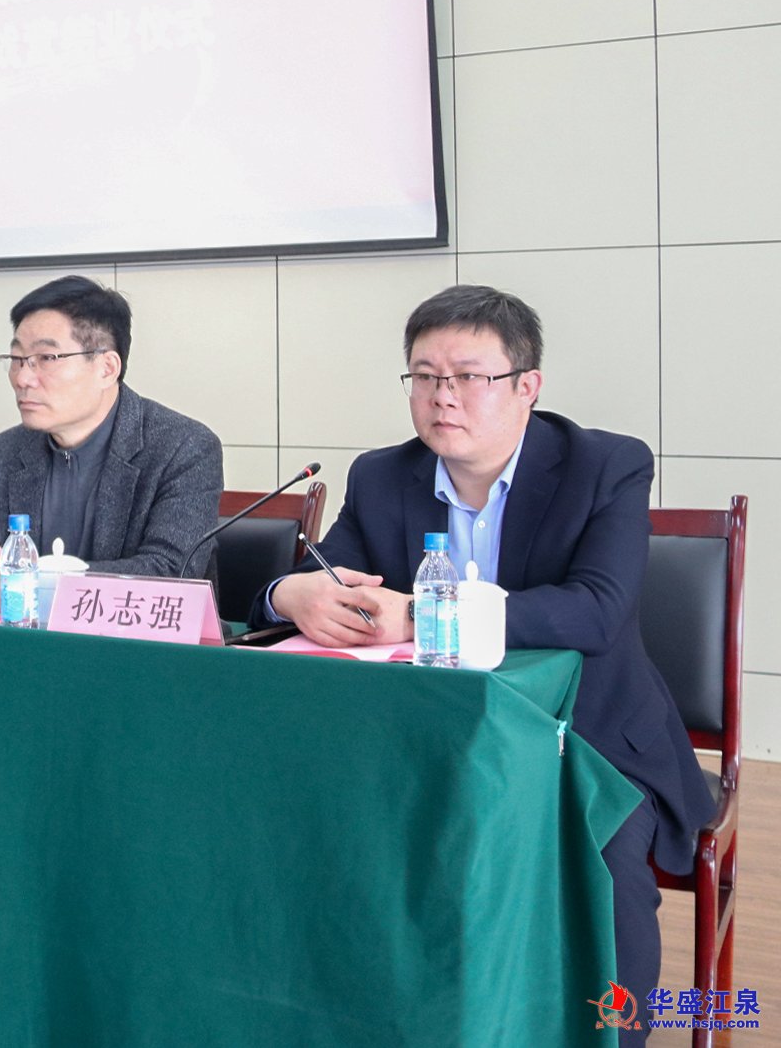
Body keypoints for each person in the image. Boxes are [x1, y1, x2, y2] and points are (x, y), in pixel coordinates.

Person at [259, 285, 709, 1033]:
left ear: (527, 385)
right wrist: (291, 591)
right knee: (332, 842)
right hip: (425, 738)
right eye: (425, 376)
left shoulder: (606, 465)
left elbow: (596, 610)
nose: (443, 396)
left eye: (469, 376)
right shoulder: (382, 475)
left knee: (603, 872)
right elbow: (322, 578)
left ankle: (610, 1034)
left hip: (585, 740)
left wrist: (423, 612)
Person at [0, 275, 223, 606]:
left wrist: (23, 588)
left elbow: (170, 575)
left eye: (46, 358)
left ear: (106, 368)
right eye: (17, 359)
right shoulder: (3, 453)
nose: (23, 378)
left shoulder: (183, 448)